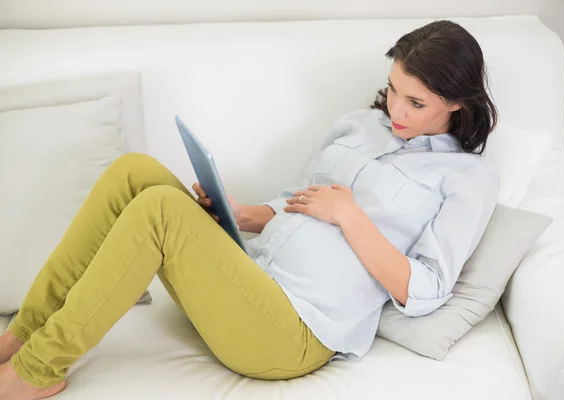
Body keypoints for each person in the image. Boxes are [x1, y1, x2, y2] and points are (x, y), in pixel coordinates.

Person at [0, 19, 499, 399]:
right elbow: (302, 201)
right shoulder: (360, 126)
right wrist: (244, 216)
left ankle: (37, 372)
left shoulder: (469, 179)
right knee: (134, 171)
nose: (395, 110)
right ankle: (22, 335)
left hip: (294, 333)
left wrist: (352, 216)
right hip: (253, 276)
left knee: (159, 210)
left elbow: (427, 289)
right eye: (392, 90)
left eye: (416, 102)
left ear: (457, 102)